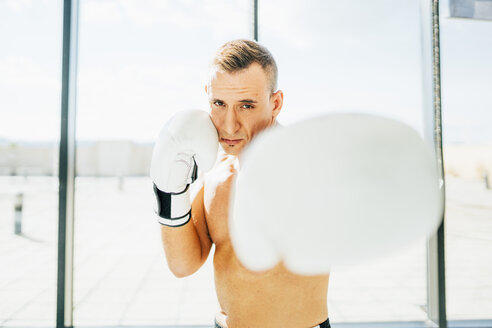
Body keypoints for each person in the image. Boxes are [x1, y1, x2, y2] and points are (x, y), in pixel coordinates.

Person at [151, 39, 330, 328]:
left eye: (246, 105)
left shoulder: (305, 165)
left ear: (276, 103)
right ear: (207, 96)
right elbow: (183, 265)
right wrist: (169, 191)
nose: (229, 125)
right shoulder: (216, 175)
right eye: (219, 104)